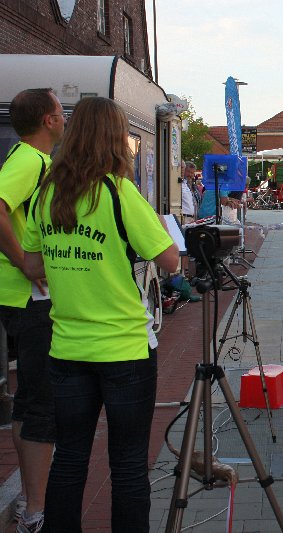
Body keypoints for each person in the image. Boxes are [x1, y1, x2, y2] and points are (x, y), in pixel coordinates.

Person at [22, 96, 179, 532]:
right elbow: (170, 261)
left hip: (68, 346)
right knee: (127, 463)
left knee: (70, 456)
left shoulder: (47, 193)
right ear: (114, 139)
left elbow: (32, 266)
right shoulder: (118, 191)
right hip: (123, 347)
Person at [0, 88, 63, 533]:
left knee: (31, 399)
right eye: (60, 112)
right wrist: (24, 260)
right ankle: (35, 510)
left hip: (22, 297)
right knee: (40, 401)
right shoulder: (30, 161)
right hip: (28, 297)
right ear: (47, 120)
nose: (64, 119)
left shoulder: (31, 159)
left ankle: (31, 494)